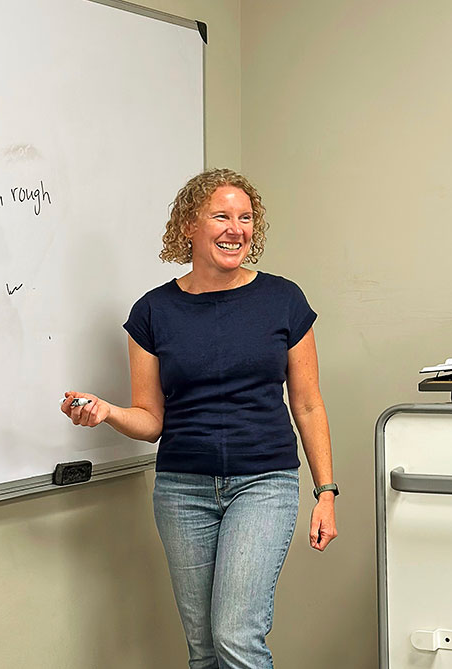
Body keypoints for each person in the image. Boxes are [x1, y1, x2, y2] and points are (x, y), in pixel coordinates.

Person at [60, 168, 337, 668]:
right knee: (204, 650)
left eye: (246, 218)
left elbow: (309, 404)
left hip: (264, 483)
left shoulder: (283, 300)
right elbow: (150, 420)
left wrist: (327, 492)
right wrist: (106, 413)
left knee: (236, 637)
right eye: (222, 216)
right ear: (189, 225)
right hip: (182, 490)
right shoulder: (153, 312)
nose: (237, 228)